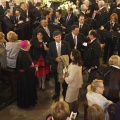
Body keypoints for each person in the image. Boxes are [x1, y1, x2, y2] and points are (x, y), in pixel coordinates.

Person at [48, 30, 71, 100]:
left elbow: (69, 54)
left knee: (65, 79)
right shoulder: (51, 44)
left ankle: (65, 92)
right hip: (55, 65)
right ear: (53, 37)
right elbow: (49, 55)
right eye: (56, 37)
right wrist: (55, 59)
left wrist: (63, 58)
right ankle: (57, 93)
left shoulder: (66, 43)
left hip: (64, 65)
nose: (58, 38)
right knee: (56, 80)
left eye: (59, 37)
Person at [16, 40, 38, 108]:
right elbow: (26, 68)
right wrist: (35, 69)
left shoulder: (24, 52)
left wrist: (33, 64)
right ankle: (28, 103)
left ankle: (32, 100)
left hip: (27, 75)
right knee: (27, 89)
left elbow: (29, 62)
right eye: (29, 45)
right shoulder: (22, 55)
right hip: (25, 77)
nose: (30, 45)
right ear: (26, 46)